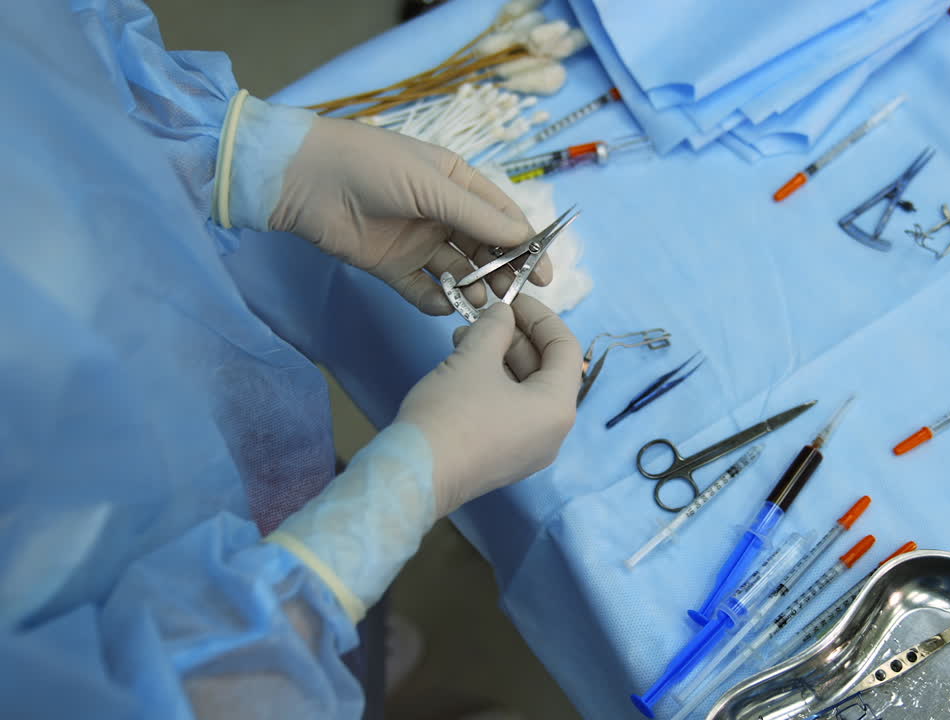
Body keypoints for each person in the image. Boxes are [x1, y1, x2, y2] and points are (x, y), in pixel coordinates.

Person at [0, 2, 580, 717]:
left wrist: (236, 151)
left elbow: (43, 59)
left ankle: (338, 652)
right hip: (115, 619)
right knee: (296, 645)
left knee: (313, 573)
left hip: (191, 440)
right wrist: (390, 504)